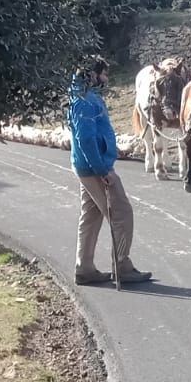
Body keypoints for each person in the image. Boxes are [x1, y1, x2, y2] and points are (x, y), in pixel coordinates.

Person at [69, 59, 152, 285]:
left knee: (91, 215)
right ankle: (122, 266)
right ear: (92, 76)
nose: (106, 79)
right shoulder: (85, 102)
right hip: (95, 168)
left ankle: (84, 269)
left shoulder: (82, 97)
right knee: (121, 213)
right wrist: (103, 169)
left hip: (87, 166)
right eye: (103, 74)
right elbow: (85, 139)